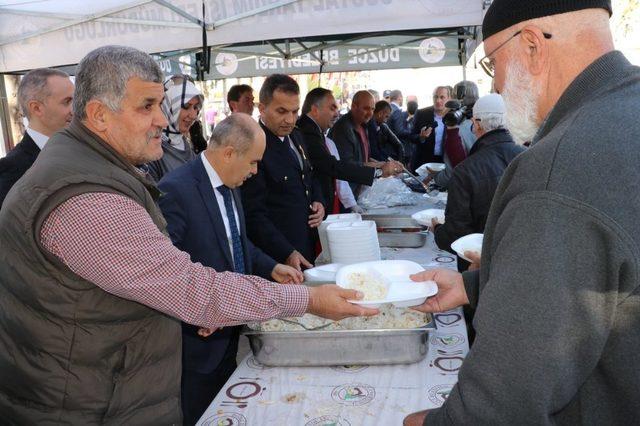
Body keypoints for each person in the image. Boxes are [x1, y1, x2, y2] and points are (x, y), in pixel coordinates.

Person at [0, 46, 376, 424]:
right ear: (99, 115)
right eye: (146, 106)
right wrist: (305, 299)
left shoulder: (95, 172)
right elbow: (188, 288)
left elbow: (166, 277)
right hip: (89, 405)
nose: (162, 121)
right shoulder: (84, 196)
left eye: (160, 105)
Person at [404, 1, 640, 424]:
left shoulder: (560, 167)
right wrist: (474, 286)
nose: (494, 81)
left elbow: (503, 402)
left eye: (493, 62)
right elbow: (601, 284)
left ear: (531, 45)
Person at [158, 114, 304, 424]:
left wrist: (271, 266)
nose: (255, 171)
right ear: (228, 153)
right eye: (253, 163)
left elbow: (234, 240)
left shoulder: (230, 181)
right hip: (196, 342)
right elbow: (166, 269)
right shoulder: (175, 190)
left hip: (230, 330)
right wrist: (200, 310)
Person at [241, 74, 325, 271]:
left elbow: (309, 176)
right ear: (261, 108)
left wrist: (319, 201)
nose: (289, 119)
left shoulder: (296, 135)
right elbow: (254, 215)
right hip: (277, 258)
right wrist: (285, 251)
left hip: (306, 245)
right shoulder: (253, 146)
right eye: (281, 111)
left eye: (295, 112)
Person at [432, 93, 524, 271]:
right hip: (521, 263)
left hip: (477, 271)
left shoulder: (465, 171)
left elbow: (455, 235)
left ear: (478, 124)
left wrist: (437, 230)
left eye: (473, 123)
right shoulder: (531, 156)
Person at [297, 88, 399, 215]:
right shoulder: (308, 131)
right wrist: (377, 171)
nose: (336, 114)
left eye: (372, 109)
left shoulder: (318, 132)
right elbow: (334, 166)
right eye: (332, 108)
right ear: (315, 110)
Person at [0, 68, 73, 207]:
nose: (74, 109)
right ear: (36, 108)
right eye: (67, 102)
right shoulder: (12, 168)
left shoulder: (79, 150)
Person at [146, 74, 203, 182]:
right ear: (168, 105)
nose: (193, 115)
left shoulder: (183, 142)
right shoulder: (153, 147)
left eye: (196, 107)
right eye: (186, 106)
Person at [328, 90, 384, 196]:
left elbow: (364, 157)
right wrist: (380, 167)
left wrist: (383, 164)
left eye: (372, 109)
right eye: (366, 108)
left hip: (358, 188)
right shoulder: (343, 128)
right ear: (354, 106)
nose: (370, 113)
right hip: (346, 193)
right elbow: (346, 165)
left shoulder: (363, 125)